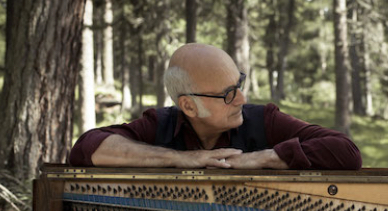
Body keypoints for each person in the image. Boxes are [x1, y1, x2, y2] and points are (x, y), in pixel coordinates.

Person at [69, 43, 362, 170]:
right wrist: (181, 159)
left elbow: (345, 151)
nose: (242, 100)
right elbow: (87, 147)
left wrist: (264, 158)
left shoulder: (264, 120)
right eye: (228, 94)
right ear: (189, 106)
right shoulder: (160, 124)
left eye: (239, 85)